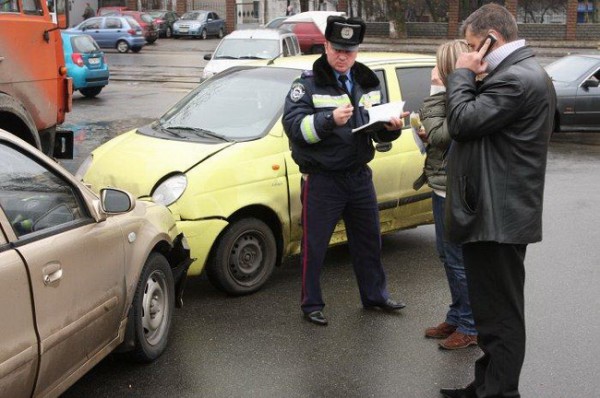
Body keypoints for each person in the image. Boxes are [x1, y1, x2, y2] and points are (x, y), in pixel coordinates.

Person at [439, 4, 556, 398]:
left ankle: (501, 392)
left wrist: (461, 73)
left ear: (493, 38)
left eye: (474, 45)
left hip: (499, 218)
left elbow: (461, 122)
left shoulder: (517, 79)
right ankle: (485, 384)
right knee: (490, 313)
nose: (471, 52)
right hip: (491, 213)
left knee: (501, 317)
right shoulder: (514, 73)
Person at [282, 16, 407, 326]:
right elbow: (295, 128)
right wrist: (329, 121)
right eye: (337, 49)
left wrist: (391, 128)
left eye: (348, 52)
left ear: (357, 51)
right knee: (315, 246)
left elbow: (377, 130)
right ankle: (311, 304)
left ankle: (375, 296)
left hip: (359, 176)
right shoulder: (307, 83)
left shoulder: (367, 80)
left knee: (369, 241)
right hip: (324, 179)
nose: (342, 56)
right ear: (326, 46)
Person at [414, 39, 478, 350]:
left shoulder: (461, 99)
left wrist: (436, 92)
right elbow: (438, 141)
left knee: (457, 260)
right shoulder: (452, 98)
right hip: (440, 187)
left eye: (438, 64)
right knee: (446, 256)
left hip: (455, 191)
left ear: (449, 68)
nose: (433, 70)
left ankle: (470, 325)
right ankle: (457, 315)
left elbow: (441, 134)